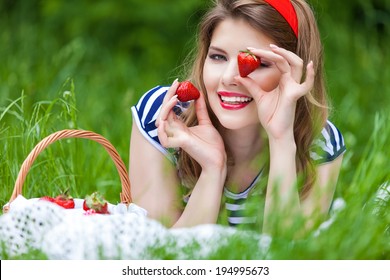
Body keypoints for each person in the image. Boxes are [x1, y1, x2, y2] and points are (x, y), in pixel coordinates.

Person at [129, 0, 346, 235]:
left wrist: (281, 139)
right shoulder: (165, 117)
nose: (229, 77)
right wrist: (212, 170)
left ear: (294, 73)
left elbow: (287, 259)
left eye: (259, 63)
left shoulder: (321, 141)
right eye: (218, 57)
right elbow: (157, 255)